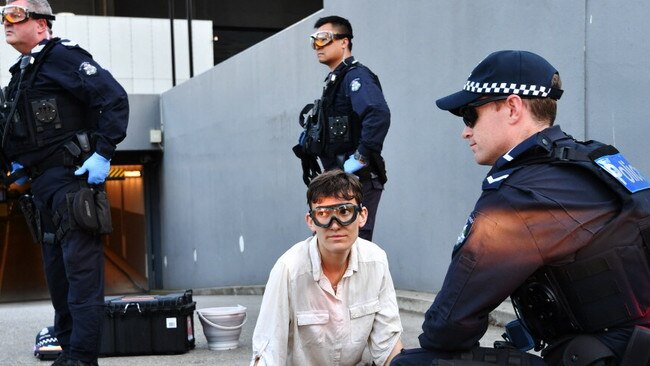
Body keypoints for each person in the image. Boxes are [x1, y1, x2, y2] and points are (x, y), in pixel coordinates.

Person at [391, 50, 650, 365]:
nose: (465, 131)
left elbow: (448, 325)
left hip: (607, 356)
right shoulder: (595, 161)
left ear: (512, 107)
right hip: (632, 345)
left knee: (414, 362)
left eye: (470, 115)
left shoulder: (520, 194)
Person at [1, 1, 129, 365]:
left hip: (72, 182)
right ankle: (69, 351)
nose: (5, 23)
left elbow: (114, 99)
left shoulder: (62, 57)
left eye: (15, 15)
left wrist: (103, 153)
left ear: (41, 24)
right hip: (43, 187)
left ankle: (83, 359)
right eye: (3, 16)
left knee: (81, 277)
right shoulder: (25, 70)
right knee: (59, 279)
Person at [251, 170, 403, 366]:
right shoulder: (288, 269)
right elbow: (267, 353)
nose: (335, 225)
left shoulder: (376, 261)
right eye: (323, 213)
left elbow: (388, 345)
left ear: (362, 216)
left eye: (344, 211)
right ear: (311, 221)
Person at [293, 15, 390, 241]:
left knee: (355, 247)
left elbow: (377, 114)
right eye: (314, 41)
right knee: (338, 247)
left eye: (324, 39)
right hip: (340, 181)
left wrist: (360, 158)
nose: (318, 46)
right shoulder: (336, 80)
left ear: (344, 41)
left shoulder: (356, 77)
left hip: (357, 181)